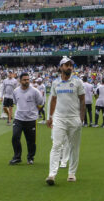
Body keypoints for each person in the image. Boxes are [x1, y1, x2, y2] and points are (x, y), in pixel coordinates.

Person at [46, 56, 85, 185]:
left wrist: (82, 118)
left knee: (74, 147)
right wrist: (50, 117)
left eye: (70, 65)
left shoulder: (78, 82)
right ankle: (52, 174)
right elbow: (53, 100)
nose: (69, 67)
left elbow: (82, 100)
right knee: (56, 145)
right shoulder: (55, 83)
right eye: (66, 65)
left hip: (74, 119)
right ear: (61, 67)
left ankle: (72, 173)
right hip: (59, 118)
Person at [9, 73, 44, 165]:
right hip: (18, 119)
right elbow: (16, 102)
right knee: (15, 137)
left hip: (31, 120)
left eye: (28, 79)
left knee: (31, 141)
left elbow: (41, 103)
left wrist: (34, 112)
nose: (26, 81)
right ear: (20, 81)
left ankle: (30, 157)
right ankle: (17, 157)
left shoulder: (35, 91)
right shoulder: (16, 91)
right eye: (24, 80)